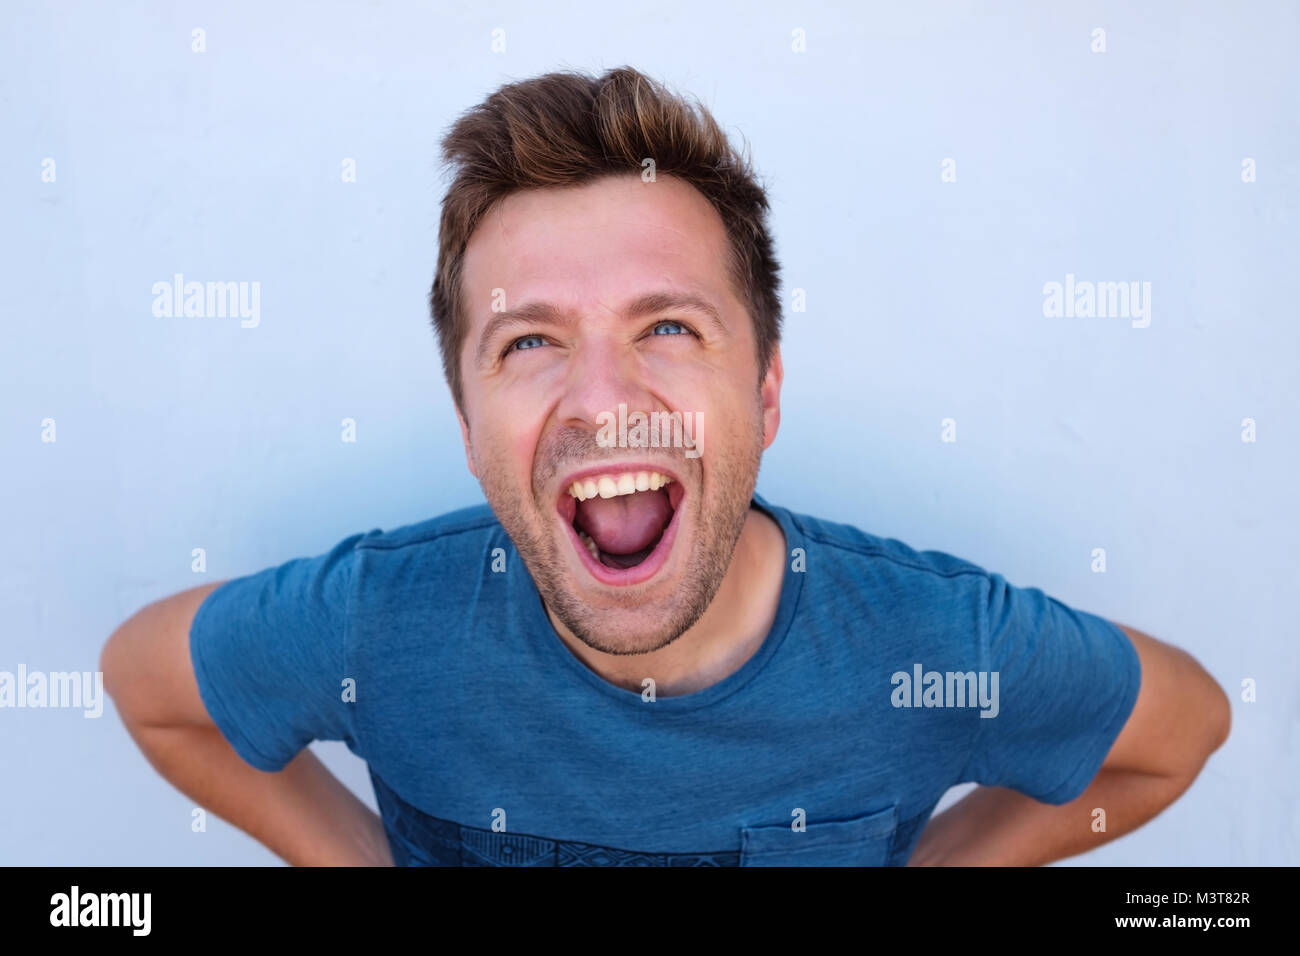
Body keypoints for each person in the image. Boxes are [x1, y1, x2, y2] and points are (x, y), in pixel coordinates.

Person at [101, 66, 1230, 866]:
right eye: (529, 341)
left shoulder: (936, 645)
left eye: (670, 327)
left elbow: (1179, 733)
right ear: (465, 418)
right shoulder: (377, 625)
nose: (601, 400)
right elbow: (148, 684)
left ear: (766, 391)